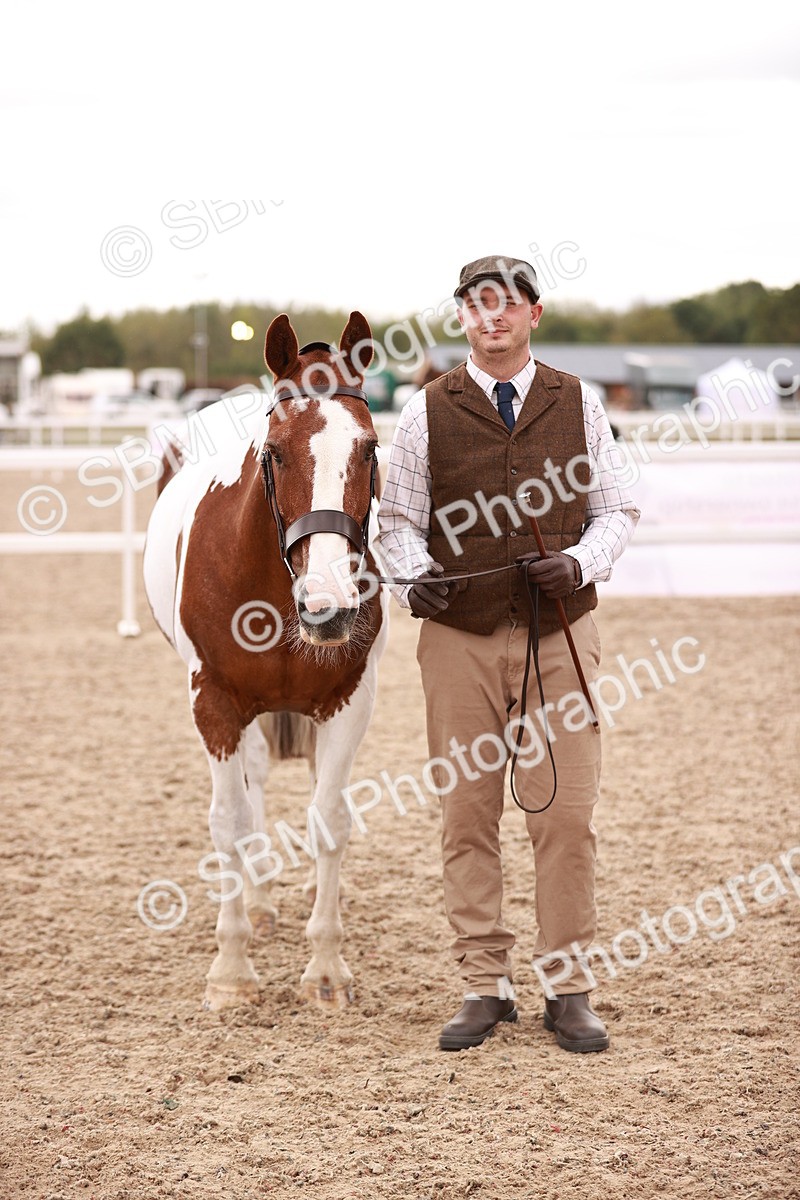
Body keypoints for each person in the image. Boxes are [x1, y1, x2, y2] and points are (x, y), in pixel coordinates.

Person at [376, 255, 640, 1053]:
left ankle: (568, 986)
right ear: (462, 316)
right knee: (467, 813)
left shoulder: (579, 401)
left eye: (507, 304)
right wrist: (413, 579)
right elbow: (396, 523)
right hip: (458, 639)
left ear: (533, 313)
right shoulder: (424, 411)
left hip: (561, 631)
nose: (492, 317)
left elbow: (617, 508)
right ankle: (484, 984)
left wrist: (579, 564)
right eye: (476, 305)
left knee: (566, 815)